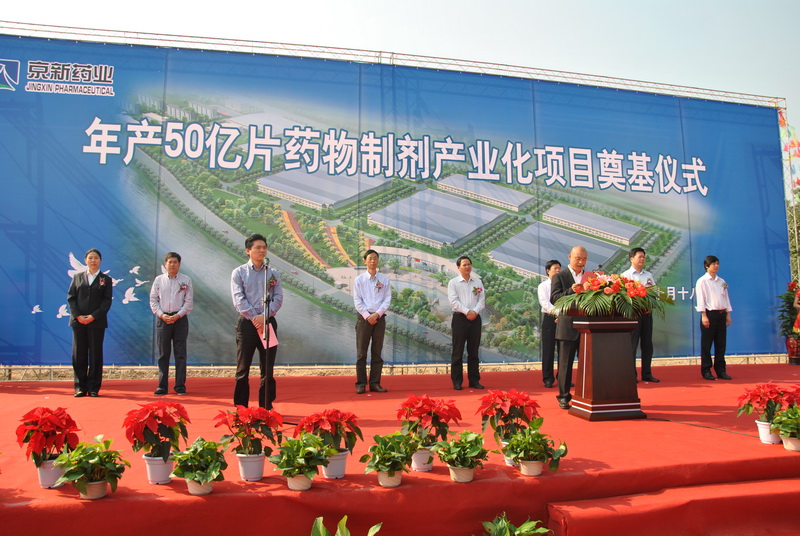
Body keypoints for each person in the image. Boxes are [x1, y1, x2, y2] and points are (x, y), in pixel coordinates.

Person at [231, 233, 284, 408]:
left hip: (268, 323)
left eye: (264, 247)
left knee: (267, 368)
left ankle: (266, 407)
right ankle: (241, 408)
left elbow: (278, 298)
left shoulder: (273, 273)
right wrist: (255, 317)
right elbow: (238, 300)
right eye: (258, 248)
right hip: (247, 324)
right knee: (242, 369)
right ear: (248, 250)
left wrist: (264, 316)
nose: (262, 250)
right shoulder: (239, 272)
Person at [67, 248, 113, 397]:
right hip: (78, 322)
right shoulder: (77, 277)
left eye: (96, 258)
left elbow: (106, 301)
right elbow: (71, 298)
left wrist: (93, 316)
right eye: (90, 258)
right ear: (85, 260)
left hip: (96, 322)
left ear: (100, 261)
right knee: (79, 354)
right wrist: (78, 316)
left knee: (95, 355)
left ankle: (93, 387)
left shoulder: (106, 279)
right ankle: (80, 387)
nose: (93, 260)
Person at [149, 252, 193, 396]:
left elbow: (188, 303)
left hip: (180, 320)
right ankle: (162, 386)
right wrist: (162, 315)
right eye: (170, 262)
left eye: (175, 262)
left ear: (179, 264)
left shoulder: (186, 280)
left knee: (180, 354)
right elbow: (153, 300)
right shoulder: (159, 280)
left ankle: (180, 385)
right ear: (165, 264)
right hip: (163, 319)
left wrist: (177, 315)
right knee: (163, 354)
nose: (172, 264)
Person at [551, 246, 588, 409]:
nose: (581, 262)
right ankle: (564, 397)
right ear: (569, 257)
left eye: (584, 259)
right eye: (578, 258)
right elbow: (554, 298)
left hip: (587, 327)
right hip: (567, 327)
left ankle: (586, 394)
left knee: (587, 364)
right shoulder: (560, 276)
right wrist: (570, 291)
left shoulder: (590, 277)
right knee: (565, 364)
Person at [352, 249, 392, 394]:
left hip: (379, 319)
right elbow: (357, 300)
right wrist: (366, 315)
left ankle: (375, 383)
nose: (373, 261)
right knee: (361, 353)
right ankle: (361, 383)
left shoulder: (384, 280)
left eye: (375, 258)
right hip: (364, 319)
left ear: (378, 261)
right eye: (370, 258)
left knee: (377, 352)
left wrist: (377, 314)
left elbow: (387, 299)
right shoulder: (359, 280)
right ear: (365, 261)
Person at [621, 247, 660, 383]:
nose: (642, 259)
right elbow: (624, 297)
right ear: (631, 259)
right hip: (633, 315)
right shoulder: (626, 276)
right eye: (640, 257)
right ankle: (631, 374)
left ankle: (647, 373)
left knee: (647, 344)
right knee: (632, 345)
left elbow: (654, 293)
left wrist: (650, 305)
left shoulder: (648, 275)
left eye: (644, 257)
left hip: (647, 314)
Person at [447, 255, 485, 390]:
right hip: (460, 319)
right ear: (458, 267)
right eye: (464, 265)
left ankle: (474, 380)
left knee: (473, 351)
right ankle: (457, 381)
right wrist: (467, 312)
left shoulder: (478, 282)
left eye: (469, 264)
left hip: (475, 318)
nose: (467, 267)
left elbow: (482, 300)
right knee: (457, 351)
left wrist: (474, 312)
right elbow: (454, 302)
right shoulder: (453, 283)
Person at [694, 255, 733, 380]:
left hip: (721, 314)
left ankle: (721, 370)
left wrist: (728, 314)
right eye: (713, 264)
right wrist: (703, 315)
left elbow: (726, 298)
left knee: (721, 344)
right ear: (707, 266)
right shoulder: (702, 281)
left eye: (717, 263)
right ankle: (706, 370)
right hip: (709, 314)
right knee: (706, 345)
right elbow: (701, 300)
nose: (716, 266)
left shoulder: (721, 281)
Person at [538, 260, 561, 388]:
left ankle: (563, 377)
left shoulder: (564, 285)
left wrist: (562, 315)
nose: (558, 270)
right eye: (555, 268)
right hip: (549, 318)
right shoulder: (543, 286)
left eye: (559, 268)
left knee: (563, 350)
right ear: (548, 271)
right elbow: (545, 303)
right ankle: (548, 378)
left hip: (563, 318)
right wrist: (558, 313)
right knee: (548, 349)